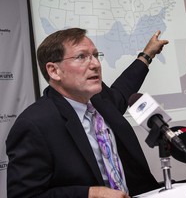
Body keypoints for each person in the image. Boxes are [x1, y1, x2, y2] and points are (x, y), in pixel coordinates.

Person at [6, 28, 169, 198]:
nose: (96, 64)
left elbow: (122, 91)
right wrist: (90, 193)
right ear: (54, 71)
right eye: (81, 57)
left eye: (95, 55)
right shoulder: (34, 125)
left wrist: (147, 55)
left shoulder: (99, 100)